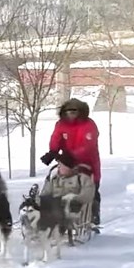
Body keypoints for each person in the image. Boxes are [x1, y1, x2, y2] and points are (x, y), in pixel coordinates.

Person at [40, 97, 102, 231]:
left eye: (74, 111)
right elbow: (56, 138)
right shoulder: (61, 124)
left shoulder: (88, 125)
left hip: (88, 161)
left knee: (91, 186)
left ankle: (93, 213)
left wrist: (73, 155)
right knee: (55, 179)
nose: (71, 114)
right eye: (68, 112)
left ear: (80, 112)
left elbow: (89, 145)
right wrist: (53, 152)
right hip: (67, 161)